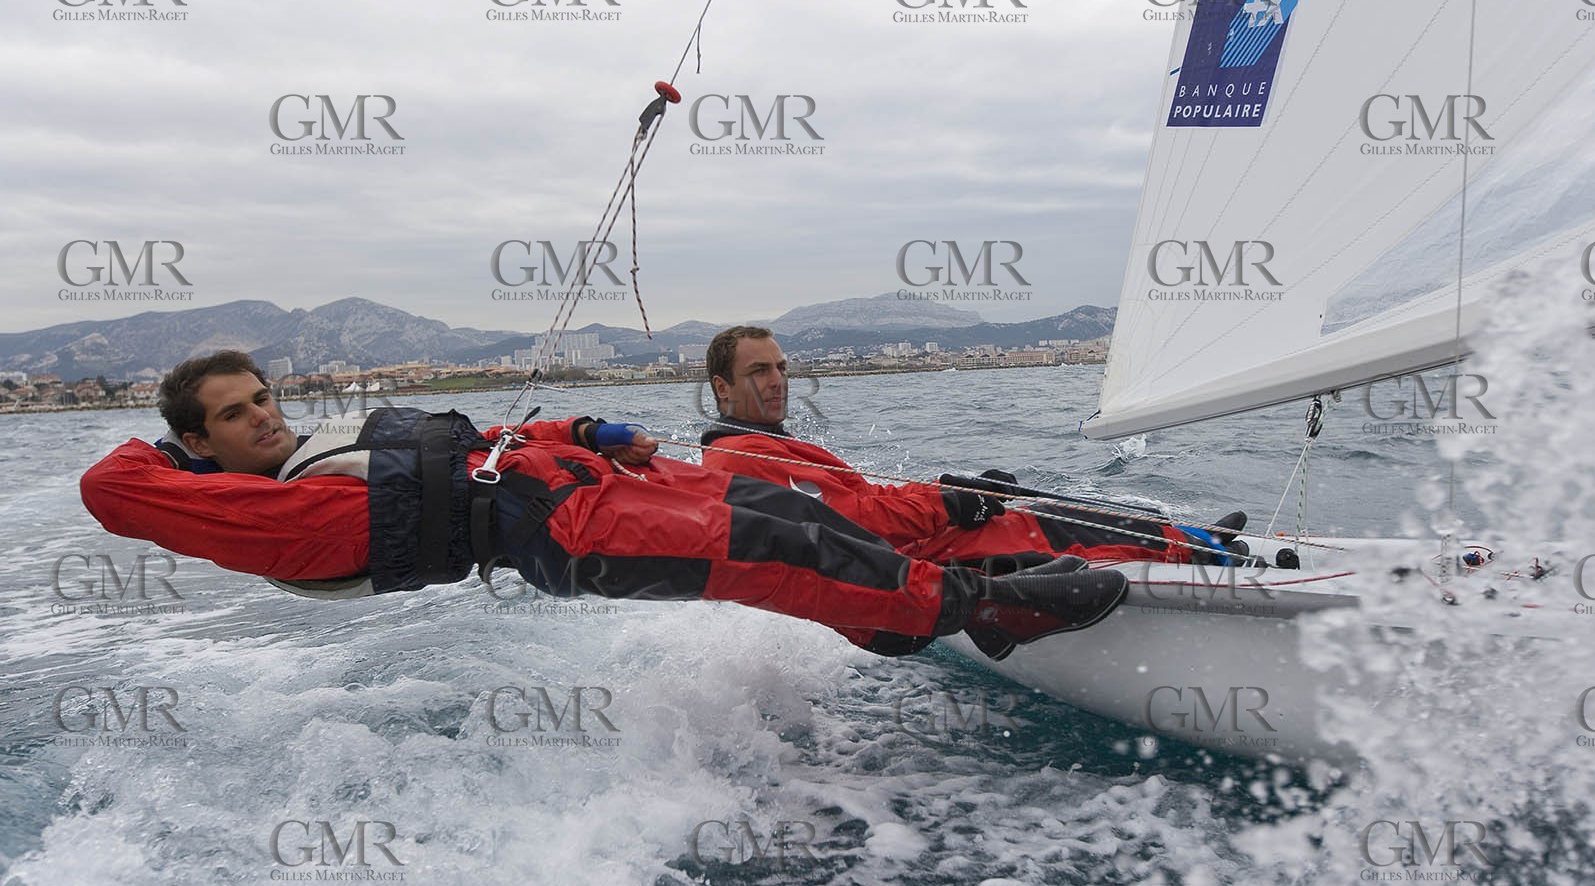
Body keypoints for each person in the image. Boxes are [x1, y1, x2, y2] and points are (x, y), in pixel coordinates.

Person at [79, 351, 1131, 661]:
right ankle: (971, 607)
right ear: (197, 441)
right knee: (768, 545)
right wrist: (172, 451)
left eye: (262, 396)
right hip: (562, 535)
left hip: (586, 480)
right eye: (232, 414)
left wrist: (582, 433)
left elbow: (490, 446)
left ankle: (907, 587)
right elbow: (108, 485)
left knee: (795, 504)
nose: (261, 417)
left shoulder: (328, 447)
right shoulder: (270, 516)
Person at [697, 326, 1251, 572]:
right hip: (914, 564)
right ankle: (1202, 556)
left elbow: (862, 498)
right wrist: (948, 505)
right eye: (759, 371)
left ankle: (1188, 537)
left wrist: (950, 490)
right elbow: (847, 520)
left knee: (1037, 507)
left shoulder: (759, 445)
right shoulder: (744, 457)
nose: (778, 381)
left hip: (917, 544)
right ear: (721, 386)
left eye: (782, 368)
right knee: (1047, 527)